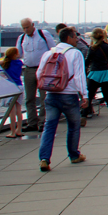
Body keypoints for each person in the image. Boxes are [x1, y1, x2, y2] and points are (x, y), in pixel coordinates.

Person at [37, 26, 87, 171]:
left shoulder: (48, 53)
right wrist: (84, 95)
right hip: (69, 95)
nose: (77, 39)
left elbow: (40, 73)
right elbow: (79, 76)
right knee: (73, 126)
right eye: (75, 36)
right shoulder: (75, 53)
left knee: (49, 127)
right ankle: (74, 155)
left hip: (51, 95)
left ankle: (44, 159)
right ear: (69, 38)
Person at [16, 18, 56, 132]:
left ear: (33, 25)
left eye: (27, 27)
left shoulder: (43, 34)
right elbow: (18, 54)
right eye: (23, 28)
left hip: (43, 69)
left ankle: (43, 122)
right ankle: (32, 122)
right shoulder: (21, 38)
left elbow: (53, 50)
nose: (26, 30)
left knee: (44, 97)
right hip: (28, 70)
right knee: (29, 98)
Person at [85, 29, 108, 124]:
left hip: (95, 73)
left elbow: (87, 62)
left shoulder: (92, 48)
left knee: (89, 96)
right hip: (105, 72)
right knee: (107, 95)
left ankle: (83, 117)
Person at [1, 48, 25, 138]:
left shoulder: (5, 63)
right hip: (20, 87)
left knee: (12, 111)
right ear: (14, 55)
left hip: (11, 87)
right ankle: (19, 130)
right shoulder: (19, 63)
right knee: (19, 110)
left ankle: (12, 132)